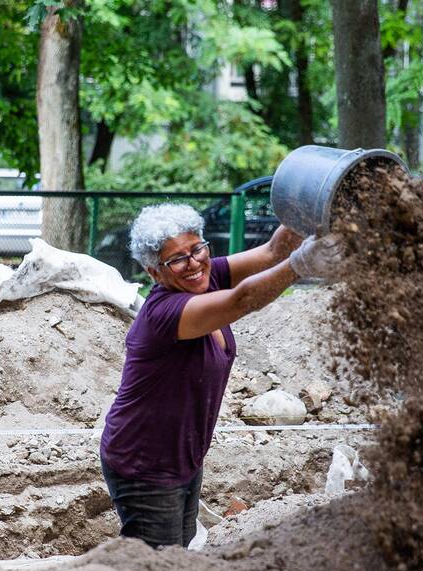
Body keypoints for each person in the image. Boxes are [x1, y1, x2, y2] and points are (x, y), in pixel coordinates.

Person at [99, 203, 341, 548]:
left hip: (182, 455)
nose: (194, 262)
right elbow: (242, 300)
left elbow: (273, 251)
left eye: (197, 248)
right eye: (177, 259)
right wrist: (302, 264)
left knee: (176, 556)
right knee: (159, 570)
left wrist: (317, 210)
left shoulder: (204, 278)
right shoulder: (166, 312)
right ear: (155, 273)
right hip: (145, 464)